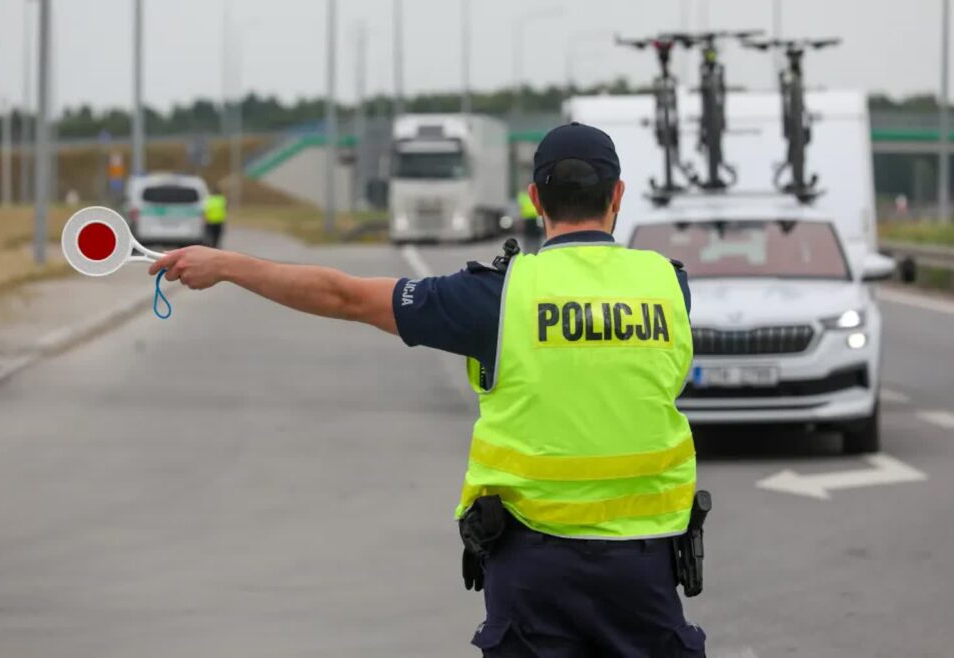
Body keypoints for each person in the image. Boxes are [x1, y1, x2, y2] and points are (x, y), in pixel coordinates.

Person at [148, 122, 704, 657]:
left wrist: (228, 264)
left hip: (534, 572)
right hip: (645, 570)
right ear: (619, 195)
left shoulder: (496, 297)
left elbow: (344, 296)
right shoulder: (667, 286)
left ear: (536, 197)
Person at [517, 187, 543, 253]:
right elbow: (520, 209)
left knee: (532, 237)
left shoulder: (523, 197)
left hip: (532, 219)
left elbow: (520, 209)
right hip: (530, 219)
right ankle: (533, 251)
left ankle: (531, 251)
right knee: (531, 237)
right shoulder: (524, 197)